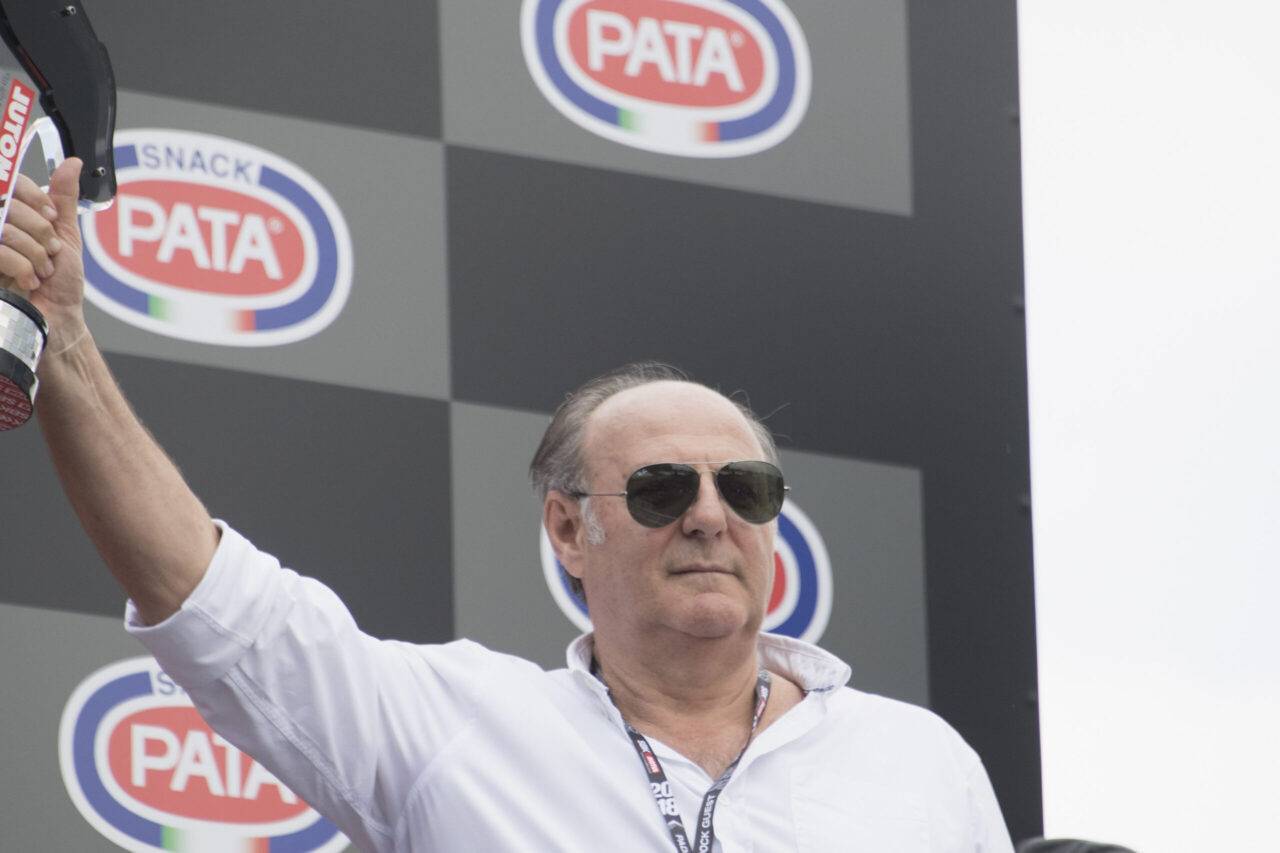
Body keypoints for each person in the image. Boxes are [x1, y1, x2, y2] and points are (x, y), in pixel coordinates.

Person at [4, 160, 1015, 852]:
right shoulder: (463, 727)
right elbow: (220, 606)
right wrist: (68, 339)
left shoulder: (920, 761)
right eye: (662, 487)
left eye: (743, 487)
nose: (710, 516)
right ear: (569, 529)